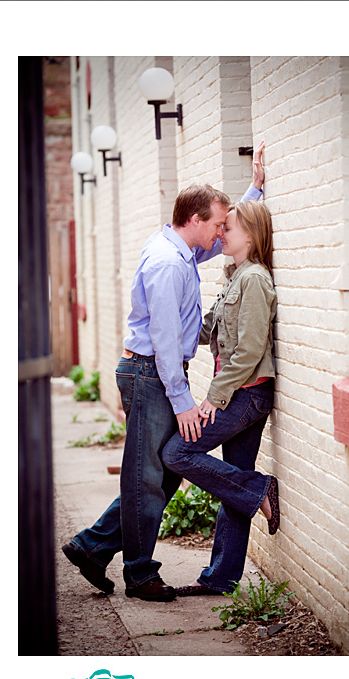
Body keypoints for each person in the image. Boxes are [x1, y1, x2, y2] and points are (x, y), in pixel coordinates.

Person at [62, 142, 266, 602]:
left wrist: (252, 194)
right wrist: (184, 402)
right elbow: (166, 342)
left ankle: (93, 546)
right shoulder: (167, 265)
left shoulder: (179, 252)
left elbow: (223, 248)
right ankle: (139, 574)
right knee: (146, 480)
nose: (220, 233)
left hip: (154, 373)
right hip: (152, 374)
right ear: (194, 220)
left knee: (163, 472)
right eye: (217, 224)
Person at [162, 198, 279, 597]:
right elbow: (206, 328)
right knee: (233, 488)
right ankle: (221, 579)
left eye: (227, 228)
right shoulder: (236, 275)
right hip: (240, 394)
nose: (220, 233)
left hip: (245, 397)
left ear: (250, 234)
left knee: (177, 454)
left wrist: (214, 397)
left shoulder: (255, 279)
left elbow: (249, 350)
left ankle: (258, 488)